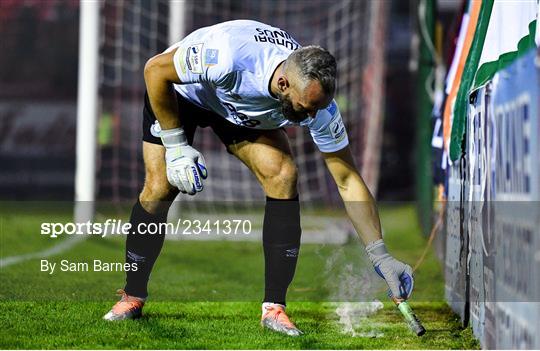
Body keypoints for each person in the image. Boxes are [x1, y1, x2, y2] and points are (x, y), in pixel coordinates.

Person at [103, 19, 413, 336]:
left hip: (240, 112)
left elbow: (347, 180)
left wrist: (380, 254)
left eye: (315, 109)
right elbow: (155, 70)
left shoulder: (320, 107)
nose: (310, 117)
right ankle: (133, 295)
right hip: (184, 94)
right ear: (283, 85)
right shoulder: (226, 55)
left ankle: (274, 309)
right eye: (304, 109)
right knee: (159, 188)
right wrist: (177, 147)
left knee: (284, 174)